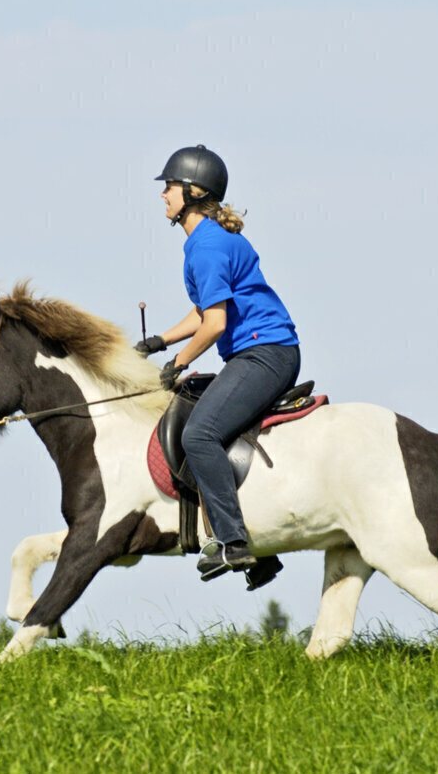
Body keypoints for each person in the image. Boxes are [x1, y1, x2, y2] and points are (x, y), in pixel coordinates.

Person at [136, 144, 301, 581]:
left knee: (201, 434)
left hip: (264, 355)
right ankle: (258, 554)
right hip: (261, 352)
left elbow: (215, 323)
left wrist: (177, 363)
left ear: (192, 190)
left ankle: (234, 542)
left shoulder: (205, 247)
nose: (163, 194)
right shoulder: (207, 240)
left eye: (169, 186)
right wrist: (158, 341)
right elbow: (205, 310)